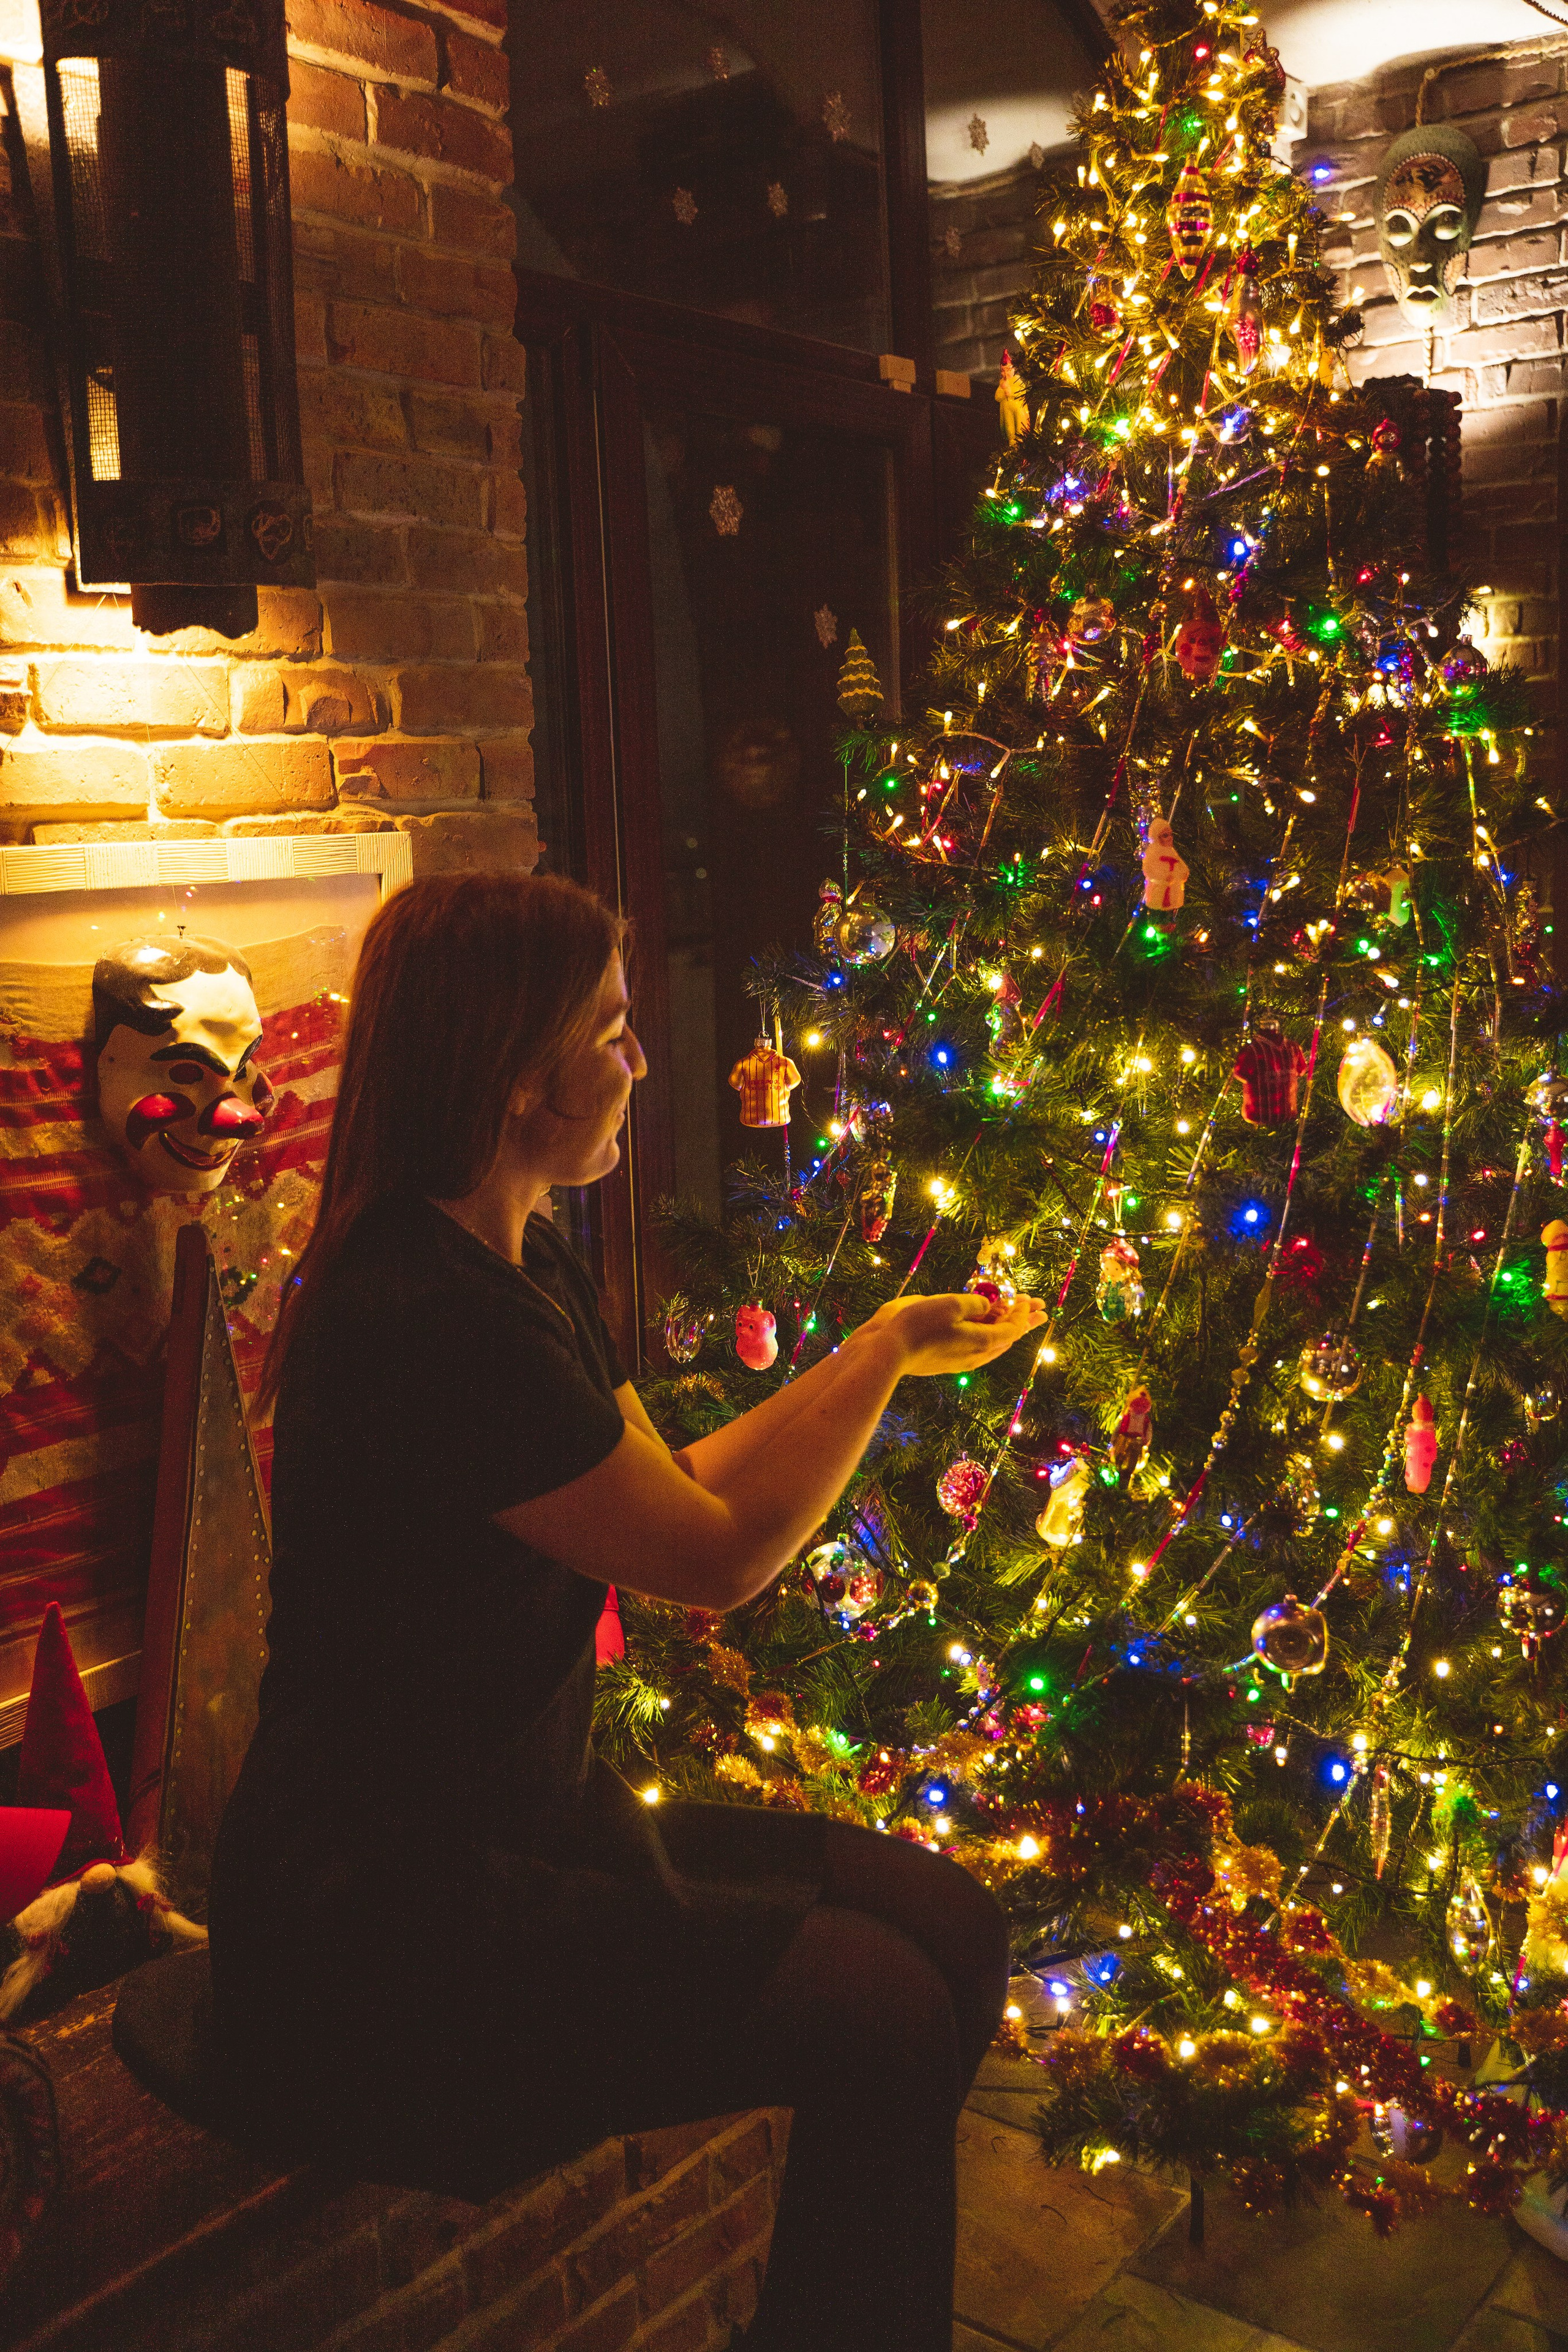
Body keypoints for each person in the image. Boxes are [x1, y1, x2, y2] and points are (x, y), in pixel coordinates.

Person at [209, 872, 1043, 2351]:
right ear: (515, 1073)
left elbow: (676, 1485)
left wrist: (876, 1348)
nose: (642, 1060)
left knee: (948, 1924)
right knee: (884, 2009)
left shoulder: (521, 1253)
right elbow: (716, 1559)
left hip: (525, 1823)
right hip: (381, 1906)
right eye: (609, 1030)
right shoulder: (425, 1313)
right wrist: (876, 1359)